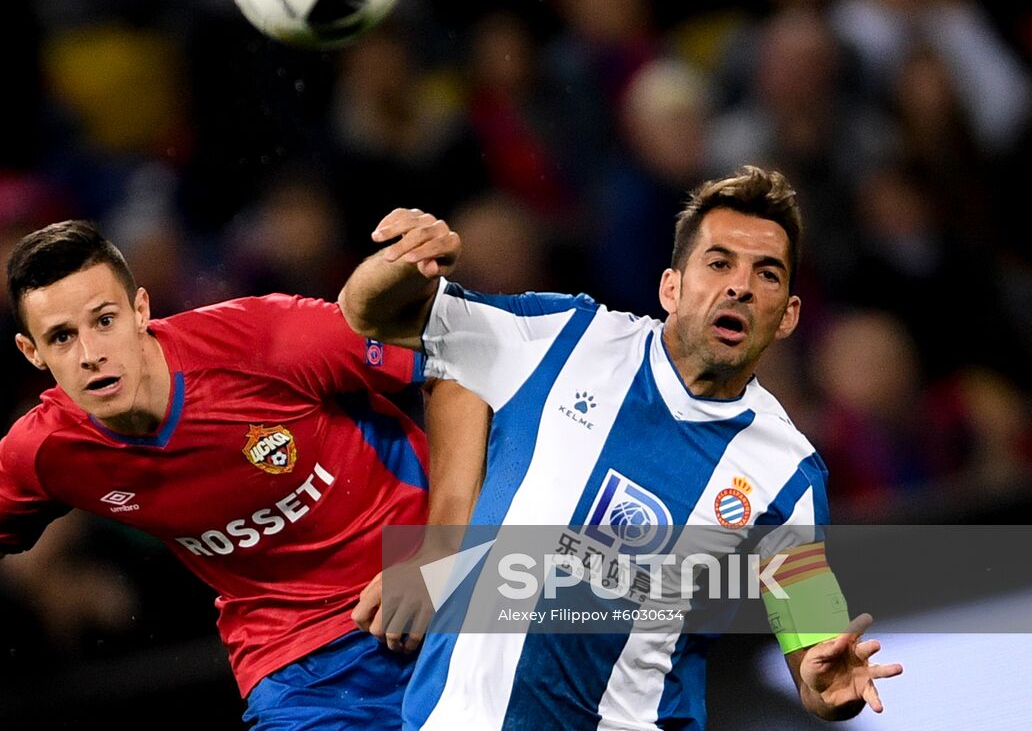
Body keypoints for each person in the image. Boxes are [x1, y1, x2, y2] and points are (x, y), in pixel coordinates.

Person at [0, 219, 489, 730]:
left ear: (141, 310)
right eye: (62, 337)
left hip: (467, 571)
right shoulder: (49, 448)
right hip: (304, 661)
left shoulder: (267, 342)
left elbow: (462, 359)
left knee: (618, 585)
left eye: (104, 320)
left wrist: (440, 544)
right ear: (33, 356)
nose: (91, 351)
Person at [338, 166, 903, 729]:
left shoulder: (786, 472)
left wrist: (827, 685)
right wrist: (403, 264)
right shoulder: (563, 337)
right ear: (671, 288)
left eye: (768, 274)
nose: (741, 286)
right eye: (719, 262)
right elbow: (368, 313)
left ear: (788, 316)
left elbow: (813, 644)